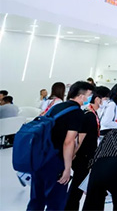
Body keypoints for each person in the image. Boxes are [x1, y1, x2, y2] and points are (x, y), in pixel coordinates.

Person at [27, 81, 94, 211]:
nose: (90, 98)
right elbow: (68, 142)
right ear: (82, 96)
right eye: (89, 95)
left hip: (40, 157)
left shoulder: (57, 107)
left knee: (36, 200)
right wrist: (67, 168)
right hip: (55, 160)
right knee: (55, 203)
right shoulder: (77, 113)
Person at [65, 86, 110, 211]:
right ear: (97, 99)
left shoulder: (93, 114)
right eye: (105, 99)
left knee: (78, 187)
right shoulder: (89, 115)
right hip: (83, 157)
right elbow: (79, 139)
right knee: (77, 187)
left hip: (87, 156)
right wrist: (72, 154)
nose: (106, 102)